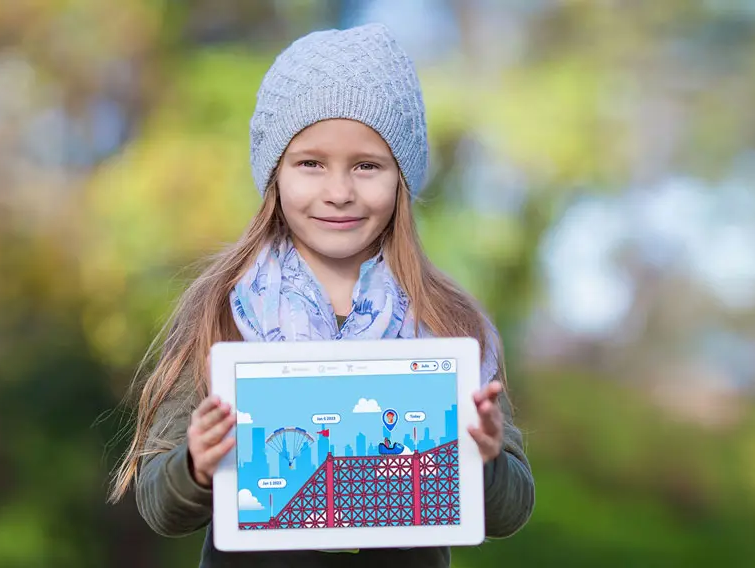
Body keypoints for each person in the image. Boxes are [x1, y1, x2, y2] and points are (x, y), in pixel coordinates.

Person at [108, 23, 534, 568]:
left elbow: (511, 507)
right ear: (275, 174)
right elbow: (160, 505)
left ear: (401, 178)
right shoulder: (221, 311)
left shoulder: (449, 322)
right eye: (310, 163)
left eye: (367, 166)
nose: (338, 192)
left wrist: (485, 455)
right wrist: (195, 462)